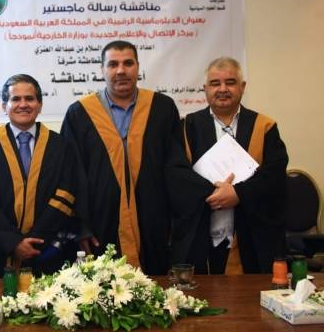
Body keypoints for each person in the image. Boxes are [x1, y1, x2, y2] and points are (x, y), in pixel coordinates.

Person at [61, 40, 180, 275]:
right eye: (113, 64)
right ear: (102, 70)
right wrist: (81, 226)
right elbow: (70, 174)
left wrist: (176, 221)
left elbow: (175, 167)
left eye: (128, 63)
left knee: (157, 284)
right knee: (104, 288)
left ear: (138, 67)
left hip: (155, 219)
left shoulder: (162, 108)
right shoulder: (79, 113)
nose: (121, 70)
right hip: (100, 220)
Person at [169, 57, 288, 274]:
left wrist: (239, 194)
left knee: (251, 293)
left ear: (242, 87)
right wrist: (215, 192)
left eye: (230, 82)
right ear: (205, 89)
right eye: (215, 83)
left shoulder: (264, 127)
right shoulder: (187, 127)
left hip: (251, 237)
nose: (222, 89)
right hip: (202, 236)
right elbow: (176, 174)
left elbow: (275, 176)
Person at [0, 74, 87, 277]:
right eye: (15, 99)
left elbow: (66, 195)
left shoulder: (61, 146)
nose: (23, 104)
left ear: (40, 105)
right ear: (4, 106)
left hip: (47, 249)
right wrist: (13, 242)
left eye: (30, 99)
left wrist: (36, 238)